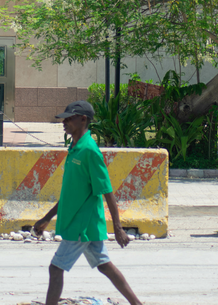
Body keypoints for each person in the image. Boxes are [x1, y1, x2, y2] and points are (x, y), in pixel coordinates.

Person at [33, 101, 142, 305]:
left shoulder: (90, 151)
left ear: (83, 119)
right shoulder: (74, 147)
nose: (64, 122)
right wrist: (46, 218)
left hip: (81, 224)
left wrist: (118, 228)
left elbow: (107, 191)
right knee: (104, 265)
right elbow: (70, 193)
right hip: (82, 222)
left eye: (69, 118)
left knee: (55, 269)